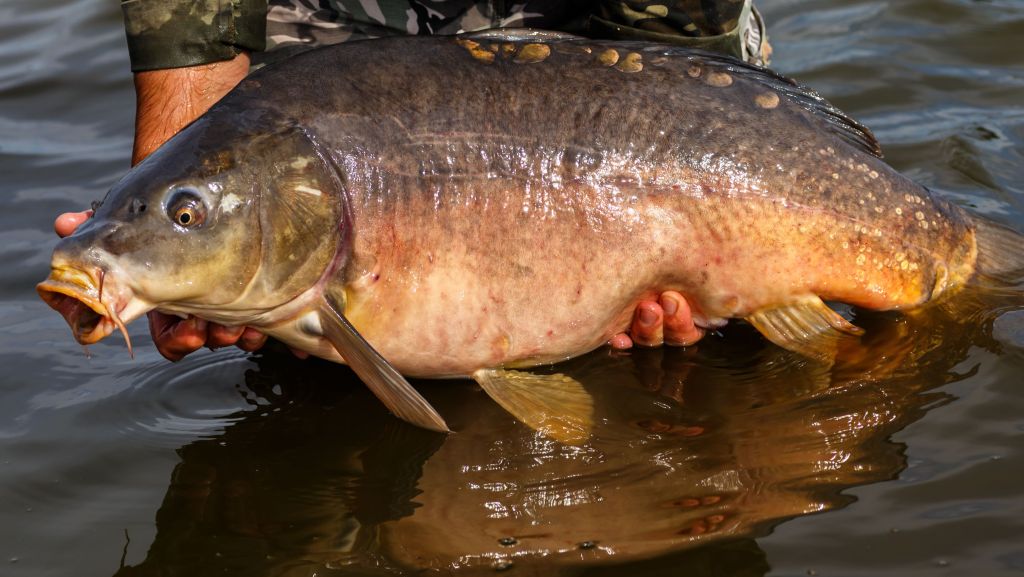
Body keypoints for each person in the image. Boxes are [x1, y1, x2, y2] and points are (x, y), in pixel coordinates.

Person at [56, 0, 770, 361]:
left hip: (604, 50)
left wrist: (662, 247)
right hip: (335, 68)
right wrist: (167, 217)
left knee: (719, 333)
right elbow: (193, 52)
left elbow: (677, 72)